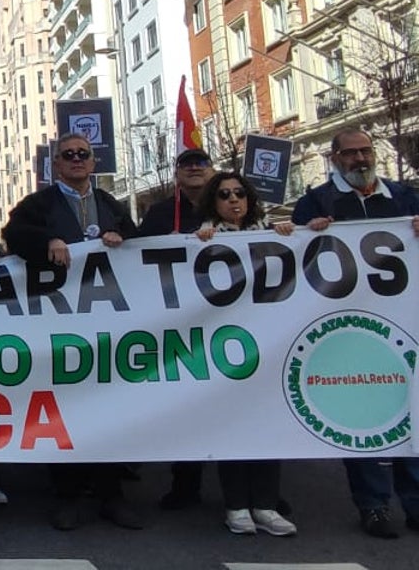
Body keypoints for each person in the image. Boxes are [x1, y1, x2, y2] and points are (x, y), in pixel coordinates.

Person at [2, 133, 141, 531]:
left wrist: (123, 237)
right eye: (69, 155)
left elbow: (139, 239)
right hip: (59, 326)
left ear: (93, 162)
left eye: (84, 154)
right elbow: (14, 234)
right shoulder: (38, 204)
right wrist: (49, 239)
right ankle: (67, 495)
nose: (77, 160)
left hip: (107, 330)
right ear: (56, 165)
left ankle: (110, 494)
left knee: (109, 411)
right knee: (64, 411)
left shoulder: (109, 203)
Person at [292, 129, 419, 539]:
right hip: (347, 329)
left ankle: (415, 503)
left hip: (403, 325)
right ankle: (373, 505)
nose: (360, 159)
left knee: (410, 413)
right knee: (362, 417)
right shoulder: (316, 202)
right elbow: (295, 253)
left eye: (366, 151)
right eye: (351, 153)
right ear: (335, 158)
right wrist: (305, 232)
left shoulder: (403, 197)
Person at [196, 172, 298, 537]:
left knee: (267, 428)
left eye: (239, 193)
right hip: (224, 350)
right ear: (214, 202)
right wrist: (197, 243)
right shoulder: (200, 238)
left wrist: (307, 232)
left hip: (269, 345)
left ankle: (266, 506)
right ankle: (236, 505)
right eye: (224, 195)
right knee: (233, 428)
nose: (233, 201)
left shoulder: (273, 231)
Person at [137, 147, 217, 510]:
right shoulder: (159, 213)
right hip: (180, 323)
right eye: (187, 165)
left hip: (232, 321)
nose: (195, 169)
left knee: (242, 403)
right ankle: (186, 485)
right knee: (189, 408)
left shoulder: (232, 201)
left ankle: (257, 491)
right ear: (177, 175)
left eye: (202, 163)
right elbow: (136, 255)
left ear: (212, 170)